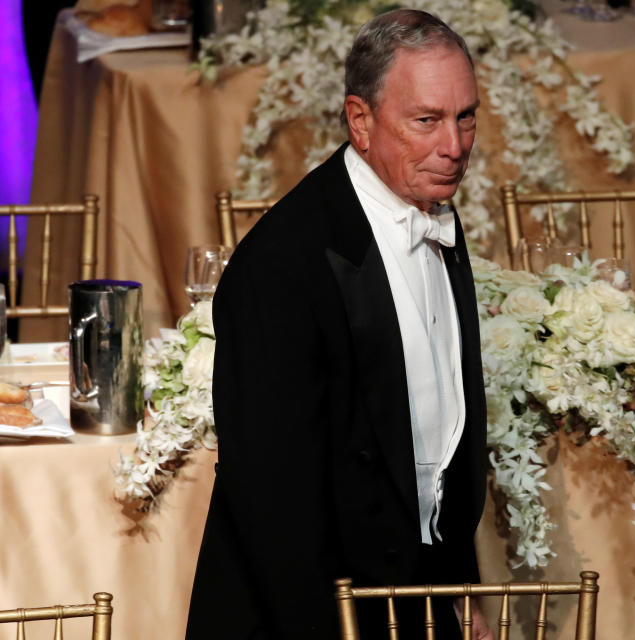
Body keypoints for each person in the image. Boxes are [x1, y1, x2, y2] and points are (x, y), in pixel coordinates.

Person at [185, 9, 490, 639]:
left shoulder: (434, 213)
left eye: (466, 118)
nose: (454, 147)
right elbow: (272, 500)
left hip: (412, 599)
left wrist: (457, 587)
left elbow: (441, 439)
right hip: (310, 614)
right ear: (360, 121)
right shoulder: (283, 264)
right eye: (426, 120)